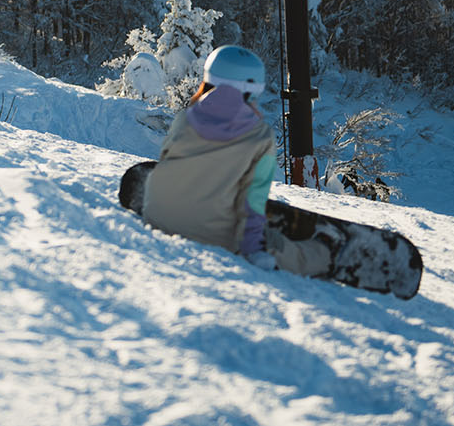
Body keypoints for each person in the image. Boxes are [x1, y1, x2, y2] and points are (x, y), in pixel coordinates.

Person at [137, 45, 331, 278]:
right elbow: (253, 198)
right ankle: (324, 255)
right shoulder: (260, 136)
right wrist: (254, 250)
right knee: (282, 248)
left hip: (157, 215)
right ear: (251, 90)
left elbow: (169, 162)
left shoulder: (185, 118)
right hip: (210, 234)